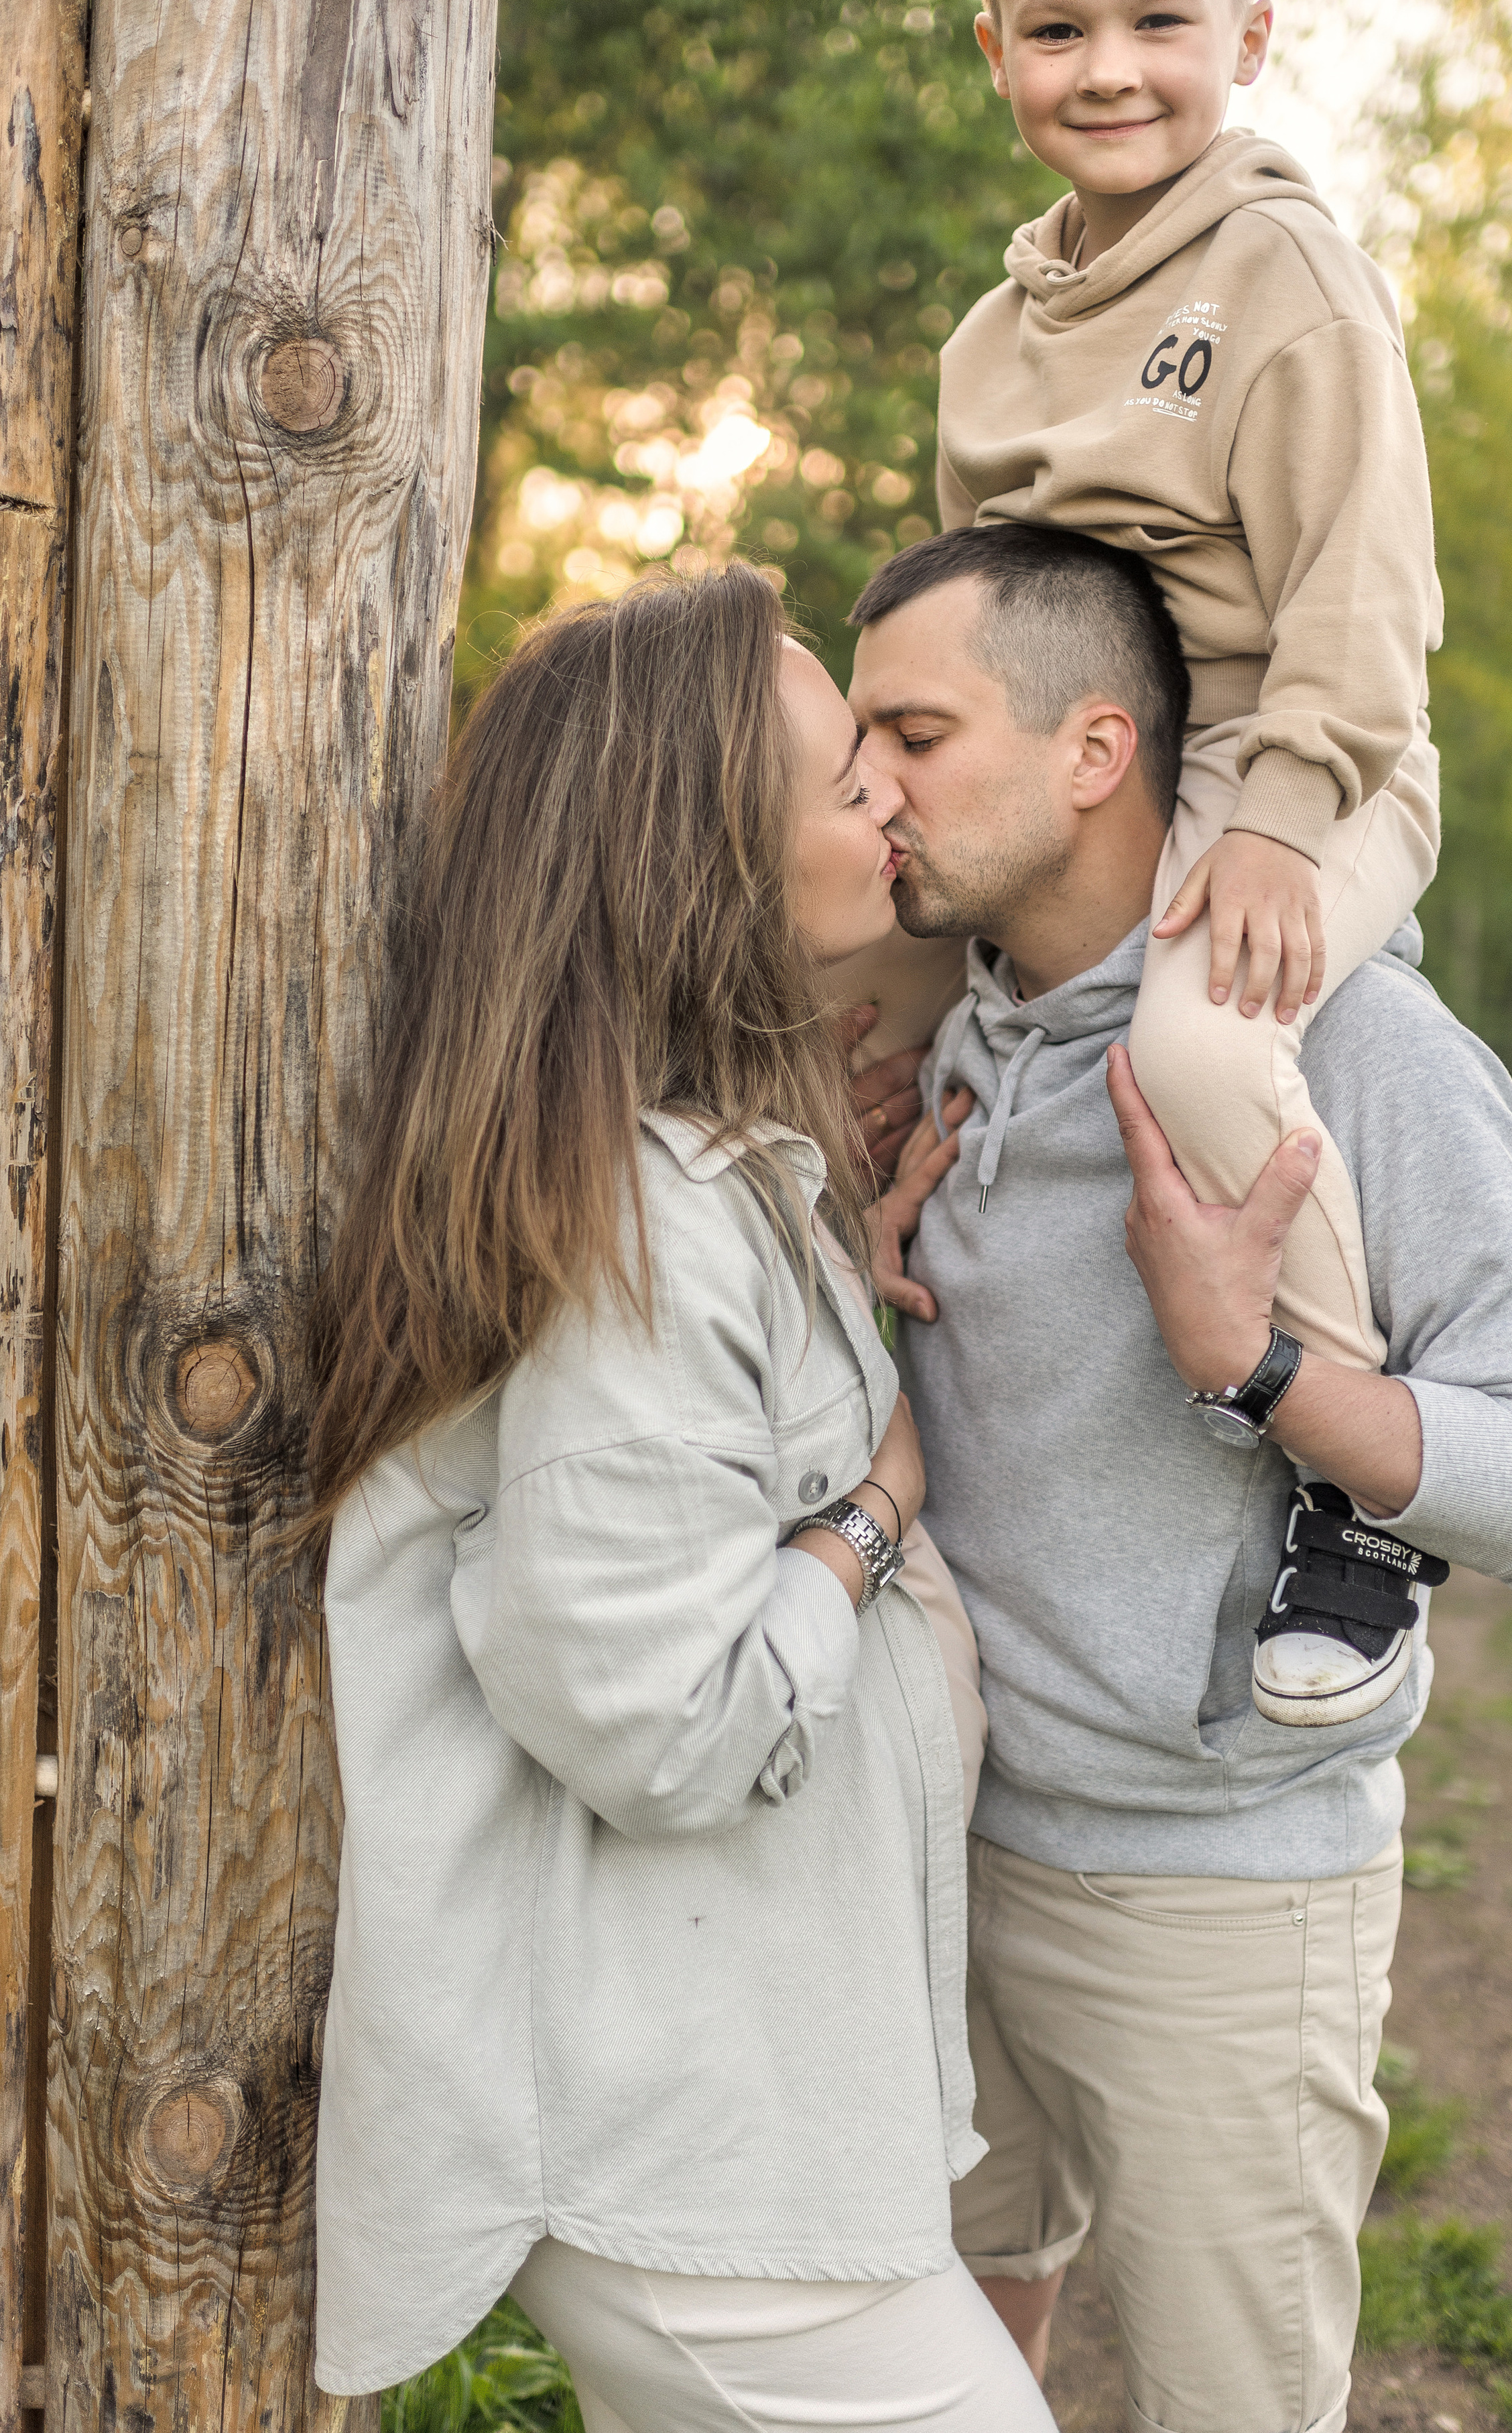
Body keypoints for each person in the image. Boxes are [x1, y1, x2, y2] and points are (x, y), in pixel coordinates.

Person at [849, 521, 1512, 2433]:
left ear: (1096, 753)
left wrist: (1265, 1363)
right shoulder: (952, 1031)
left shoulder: (1348, 1042)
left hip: (1214, 1903)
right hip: (945, 1858)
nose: (869, 780)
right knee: (952, 2367)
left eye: (916, 729)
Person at [307, 567, 1052, 2433]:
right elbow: (658, 1712)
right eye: (839, 775)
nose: (887, 791)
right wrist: (869, 1516)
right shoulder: (637, 1225)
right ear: (707, 857)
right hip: (687, 2157)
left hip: (750, 2114)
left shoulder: (692, 1186)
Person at [845, 0, 1445, 1727]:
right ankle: (813, 1382)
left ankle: (1354, 1505)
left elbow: (1368, 587)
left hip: (1309, 762)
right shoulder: (987, 344)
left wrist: (1281, 816)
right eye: (1059, 29)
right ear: (995, 52)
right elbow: (984, 624)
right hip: (1106, 766)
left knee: (1197, 1044)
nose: (1110, 69)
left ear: (1248, 39)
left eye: (1159, 24)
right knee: (841, 1001)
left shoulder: (1291, 278)